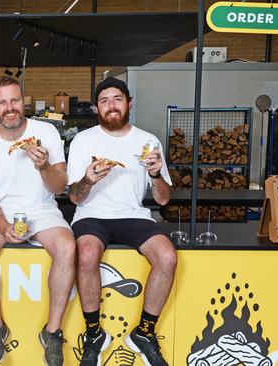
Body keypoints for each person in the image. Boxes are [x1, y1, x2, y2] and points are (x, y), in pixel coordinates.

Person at [67, 78, 176, 366]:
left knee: (167, 256)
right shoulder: (83, 140)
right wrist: (88, 180)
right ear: (96, 108)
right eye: (104, 101)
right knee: (87, 254)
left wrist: (155, 174)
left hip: (133, 215)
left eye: (117, 99)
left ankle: (144, 332)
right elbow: (75, 198)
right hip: (91, 214)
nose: (111, 105)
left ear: (129, 103)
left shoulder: (148, 141)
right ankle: (93, 334)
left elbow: (163, 199)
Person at [0, 76, 76, 366]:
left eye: (14, 100)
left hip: (43, 211)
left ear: (23, 101)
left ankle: (52, 331)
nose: (10, 107)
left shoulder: (47, 133)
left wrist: (43, 166)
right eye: (2, 102)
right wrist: (3, 227)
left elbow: (58, 187)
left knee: (67, 248)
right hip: (2, 212)